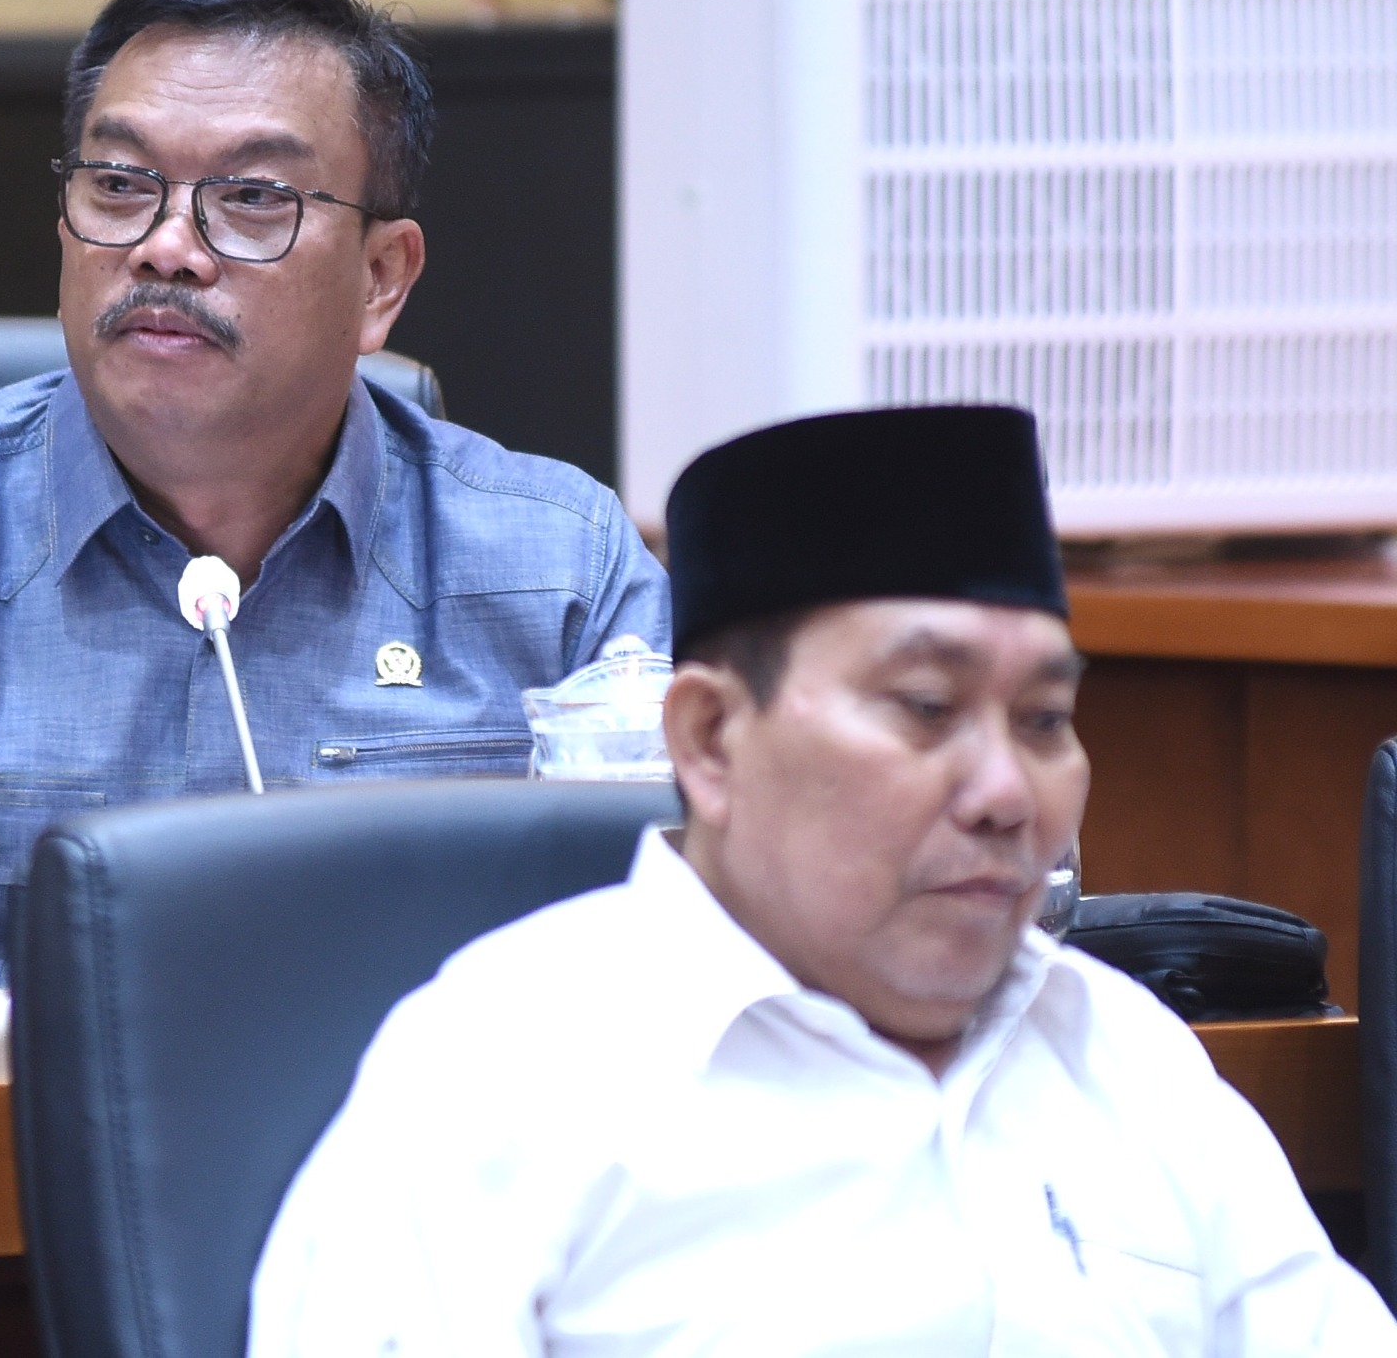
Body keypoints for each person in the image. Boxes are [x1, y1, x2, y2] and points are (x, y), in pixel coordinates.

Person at [250, 405, 1397, 1355]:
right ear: (707, 739)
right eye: (926, 708)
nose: (1006, 790)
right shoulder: (496, 1074)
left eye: (1045, 717)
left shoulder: (1125, 1057)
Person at [0, 0, 668, 994]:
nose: (166, 246)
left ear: (379, 278)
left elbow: (669, 999)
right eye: (120, 186)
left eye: (253, 197)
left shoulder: (560, 575)